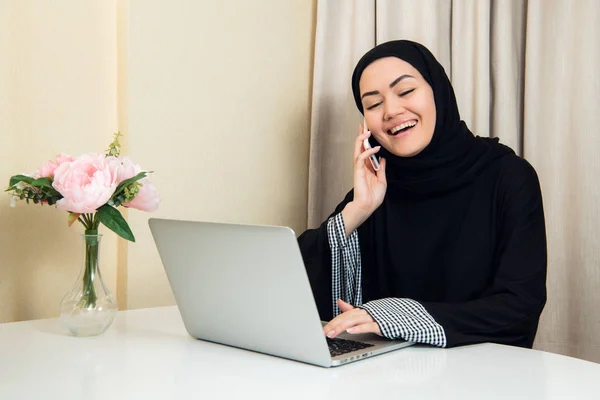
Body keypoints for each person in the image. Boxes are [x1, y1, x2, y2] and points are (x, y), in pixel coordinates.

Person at [298, 40, 547, 348]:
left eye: (405, 92)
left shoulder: (506, 176)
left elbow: (519, 306)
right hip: (382, 379)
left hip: (479, 376)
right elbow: (293, 287)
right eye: (373, 104)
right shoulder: (376, 190)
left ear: (438, 92)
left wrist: (391, 318)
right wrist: (357, 210)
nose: (391, 111)